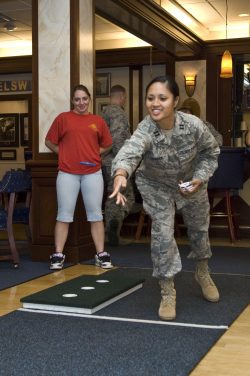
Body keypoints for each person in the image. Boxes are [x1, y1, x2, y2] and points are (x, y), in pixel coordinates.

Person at [110, 75, 220, 321]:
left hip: (192, 184)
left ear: (175, 101)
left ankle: (202, 272)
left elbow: (211, 153)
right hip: (156, 186)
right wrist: (120, 174)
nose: (155, 103)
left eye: (162, 98)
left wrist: (200, 179)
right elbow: (130, 151)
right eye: (150, 98)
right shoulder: (146, 128)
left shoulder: (193, 125)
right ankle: (167, 289)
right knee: (162, 234)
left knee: (199, 230)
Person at [45, 84, 113, 270]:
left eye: (84, 99)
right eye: (77, 99)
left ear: (89, 99)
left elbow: (108, 144)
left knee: (96, 215)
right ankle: (58, 255)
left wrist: (94, 153)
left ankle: (101, 254)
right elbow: (49, 141)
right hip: (67, 173)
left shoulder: (97, 121)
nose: (81, 102)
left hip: (92, 174)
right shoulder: (63, 118)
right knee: (64, 215)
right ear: (72, 101)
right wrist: (63, 154)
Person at [101, 84, 135, 245]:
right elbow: (118, 140)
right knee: (124, 196)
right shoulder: (119, 114)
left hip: (104, 161)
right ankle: (112, 230)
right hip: (116, 162)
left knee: (112, 195)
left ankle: (110, 231)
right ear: (123, 97)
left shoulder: (103, 112)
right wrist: (125, 162)